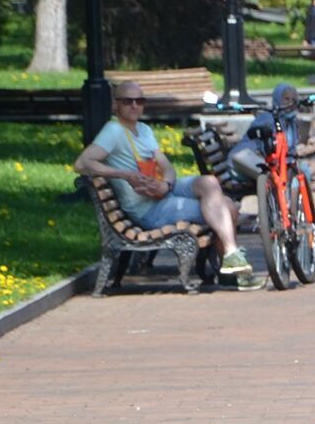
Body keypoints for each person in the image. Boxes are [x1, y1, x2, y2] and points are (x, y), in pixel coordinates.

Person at [75, 84, 263, 289]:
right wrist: (124, 174)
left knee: (209, 182)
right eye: (127, 101)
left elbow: (167, 167)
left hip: (163, 193)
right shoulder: (113, 131)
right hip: (148, 209)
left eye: (140, 101)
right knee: (227, 207)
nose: (135, 105)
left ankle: (230, 261)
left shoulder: (144, 130)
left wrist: (166, 184)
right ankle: (232, 262)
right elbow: (82, 163)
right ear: (115, 105)